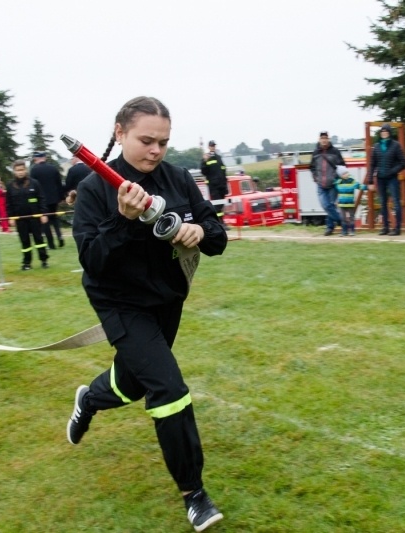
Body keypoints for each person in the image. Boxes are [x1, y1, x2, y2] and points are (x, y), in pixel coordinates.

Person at [69, 96, 227, 532]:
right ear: (119, 133)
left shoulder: (177, 178)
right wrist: (122, 220)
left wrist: (199, 229)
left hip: (167, 300)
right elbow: (93, 261)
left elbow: (217, 236)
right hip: (120, 304)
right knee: (168, 387)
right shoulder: (93, 189)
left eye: (163, 141)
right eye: (146, 140)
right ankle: (194, 493)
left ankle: (89, 400)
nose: (156, 150)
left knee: (135, 382)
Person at [6, 160, 49, 270]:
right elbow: (8, 203)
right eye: (17, 170)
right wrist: (11, 217)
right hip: (20, 219)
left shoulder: (34, 183)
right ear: (14, 172)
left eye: (22, 170)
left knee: (39, 240)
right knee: (25, 241)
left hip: (35, 217)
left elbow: (42, 199)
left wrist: (43, 214)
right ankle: (27, 263)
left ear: (26, 170)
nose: (20, 172)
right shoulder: (10, 186)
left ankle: (44, 260)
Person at [366, 124, 405, 236]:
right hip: (380, 178)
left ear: (389, 133)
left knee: (396, 203)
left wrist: (393, 171)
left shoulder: (396, 145)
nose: (384, 133)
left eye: (386, 131)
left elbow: (403, 163)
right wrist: (370, 180)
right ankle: (385, 227)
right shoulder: (377, 146)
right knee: (383, 203)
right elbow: (372, 164)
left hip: (392, 178)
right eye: (382, 131)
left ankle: (397, 228)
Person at [309, 131, 344, 236]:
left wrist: (337, 178)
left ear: (328, 139)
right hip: (321, 184)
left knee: (331, 206)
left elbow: (342, 166)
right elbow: (312, 167)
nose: (324, 140)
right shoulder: (315, 153)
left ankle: (329, 228)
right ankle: (341, 222)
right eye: (322, 138)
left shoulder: (335, 152)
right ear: (319, 140)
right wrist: (315, 177)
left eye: (325, 138)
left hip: (333, 184)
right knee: (325, 205)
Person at [30, 151, 65, 248]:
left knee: (45, 221)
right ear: (45, 158)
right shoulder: (53, 168)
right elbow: (59, 184)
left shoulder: (34, 170)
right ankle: (60, 236)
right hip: (54, 199)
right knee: (54, 219)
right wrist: (61, 197)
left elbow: (32, 186)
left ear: (36, 158)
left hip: (42, 200)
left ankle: (51, 244)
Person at [200, 140, 229, 229]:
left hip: (222, 185)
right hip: (213, 186)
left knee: (221, 204)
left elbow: (223, 170)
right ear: (209, 147)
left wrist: (225, 184)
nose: (213, 147)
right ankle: (219, 223)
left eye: (214, 145)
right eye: (211, 146)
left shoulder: (218, 157)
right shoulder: (206, 158)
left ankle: (222, 222)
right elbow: (203, 171)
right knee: (217, 205)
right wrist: (204, 161)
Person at [334, 166, 363, 236]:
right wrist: (336, 201)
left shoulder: (352, 181)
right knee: (343, 218)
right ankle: (344, 231)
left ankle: (352, 231)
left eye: (346, 172)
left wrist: (366, 187)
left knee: (351, 217)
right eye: (344, 173)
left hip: (350, 203)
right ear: (341, 175)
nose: (346, 174)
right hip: (341, 204)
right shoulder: (338, 183)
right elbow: (337, 192)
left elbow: (359, 186)